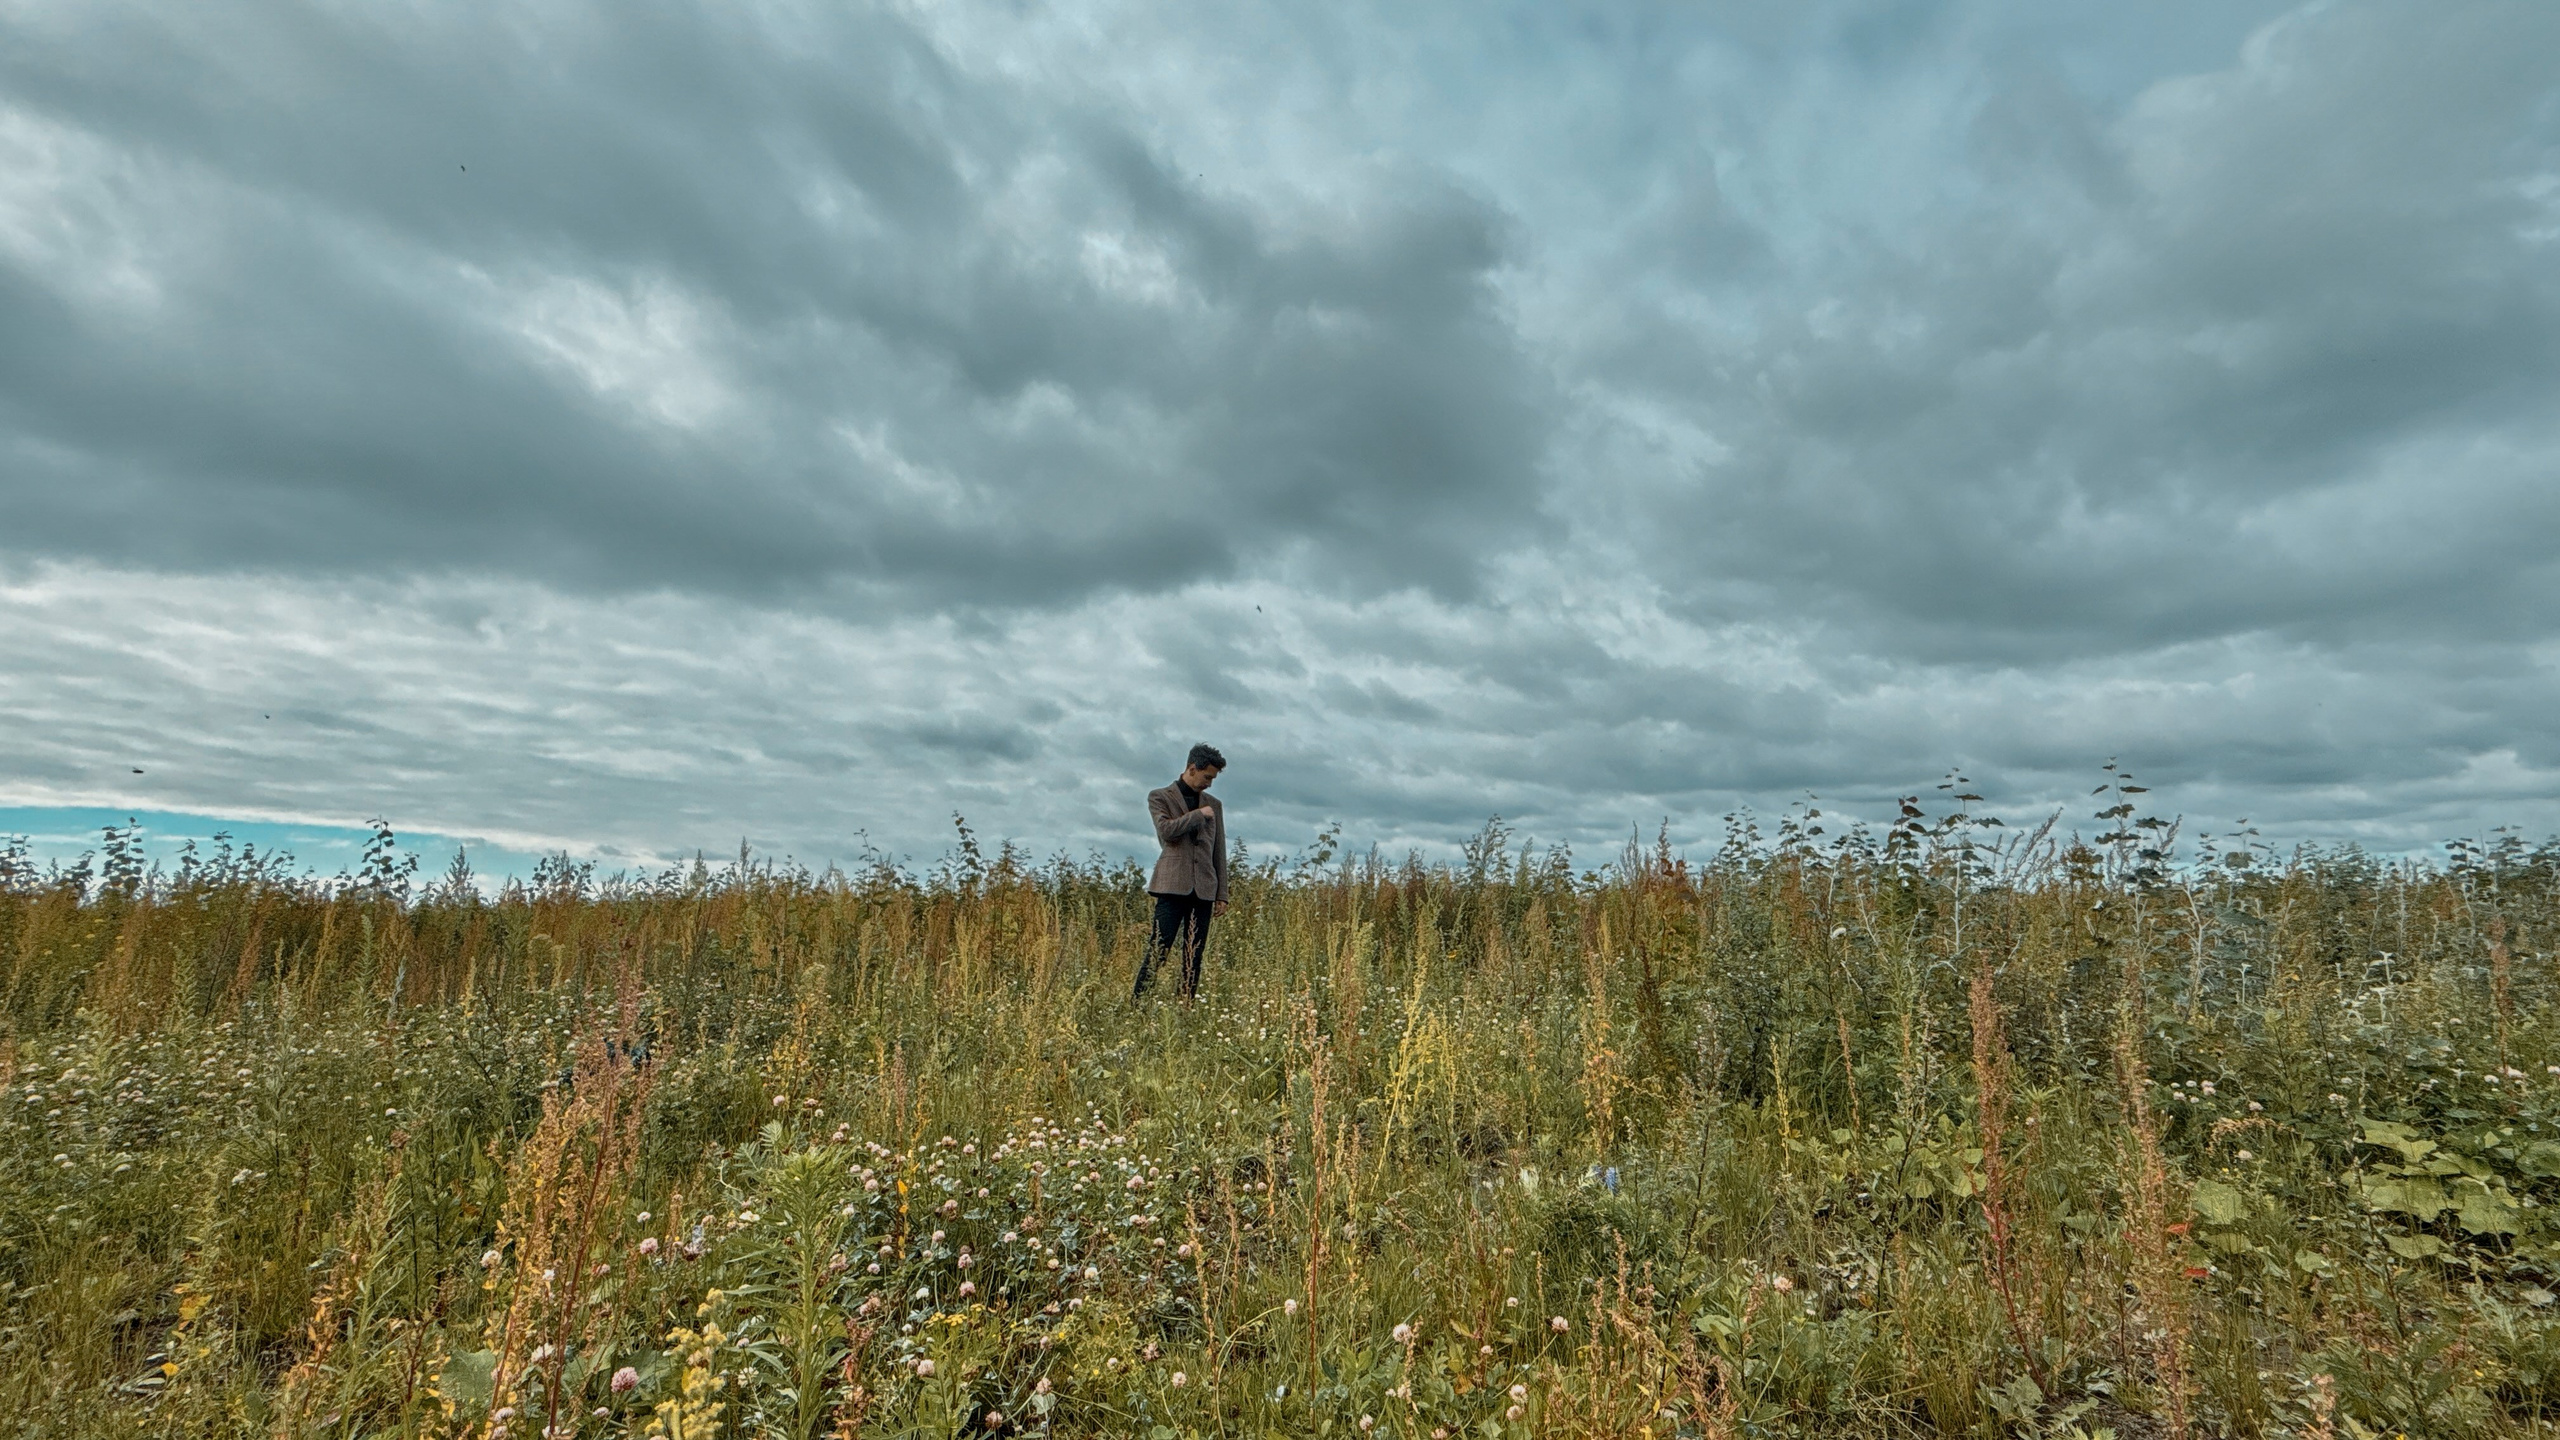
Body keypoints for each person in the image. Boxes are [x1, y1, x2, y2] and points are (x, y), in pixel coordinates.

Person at [1138, 743, 1227, 1000]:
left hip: (1204, 889)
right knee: (1159, 950)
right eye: (1207, 777)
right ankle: (1138, 1005)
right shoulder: (1159, 796)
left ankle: (1185, 1009)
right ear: (1191, 768)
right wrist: (1199, 815)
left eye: (1213, 779)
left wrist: (1222, 893)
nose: (1209, 784)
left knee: (1194, 955)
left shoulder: (1215, 805)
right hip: (1171, 885)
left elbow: (1218, 849)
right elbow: (1166, 832)